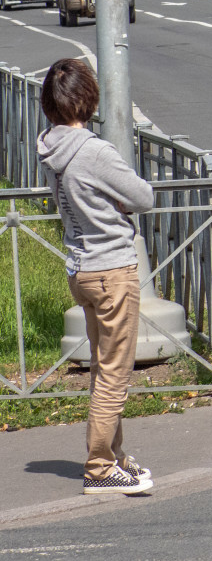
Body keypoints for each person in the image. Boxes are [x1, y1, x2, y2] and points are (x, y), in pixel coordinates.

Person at [37, 59, 156, 496]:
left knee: (103, 370)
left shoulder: (48, 146)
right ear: (88, 98)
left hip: (81, 268)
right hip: (111, 270)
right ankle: (101, 468)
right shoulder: (94, 150)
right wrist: (116, 204)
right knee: (114, 374)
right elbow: (144, 197)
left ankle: (116, 458)